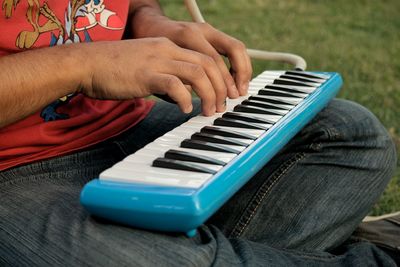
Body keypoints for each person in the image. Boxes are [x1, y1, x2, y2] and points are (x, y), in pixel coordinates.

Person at [0, 0, 398, 266]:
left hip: (130, 123)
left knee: (347, 133)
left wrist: (147, 21)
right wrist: (81, 65)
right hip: (12, 171)